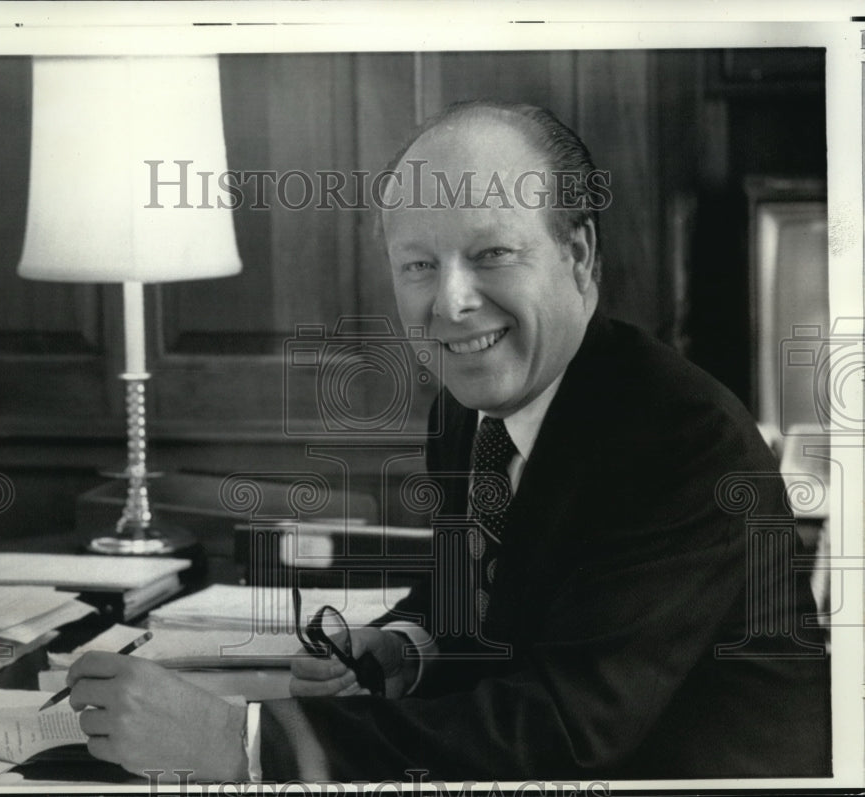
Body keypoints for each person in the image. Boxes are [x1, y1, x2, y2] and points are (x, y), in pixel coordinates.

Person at [66, 101, 831, 783]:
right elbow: (467, 596)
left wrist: (240, 740)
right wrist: (403, 646)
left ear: (580, 255)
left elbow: (562, 729)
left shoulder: (681, 438)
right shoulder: (466, 413)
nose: (452, 301)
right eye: (420, 265)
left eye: (492, 253)